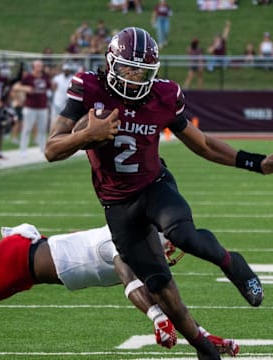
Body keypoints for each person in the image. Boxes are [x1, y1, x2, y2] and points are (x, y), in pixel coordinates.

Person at [45, 27, 273, 358]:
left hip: (155, 186)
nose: (136, 77)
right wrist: (85, 136)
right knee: (161, 287)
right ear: (111, 63)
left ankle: (231, 262)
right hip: (117, 204)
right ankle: (203, 348)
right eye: (128, 68)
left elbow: (204, 144)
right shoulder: (88, 88)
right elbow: (52, 149)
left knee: (183, 235)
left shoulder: (163, 95)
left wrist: (257, 163)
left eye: (143, 71)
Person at [0, 223, 238, 356]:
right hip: (17, 263)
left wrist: (204, 336)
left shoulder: (141, 242)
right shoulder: (127, 238)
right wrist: (155, 317)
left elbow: (170, 303)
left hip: (25, 263)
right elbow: (127, 277)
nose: (170, 253)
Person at [13, 60, 51, 155]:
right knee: (27, 128)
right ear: (33, 67)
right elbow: (16, 87)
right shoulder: (28, 77)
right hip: (30, 107)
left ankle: (43, 148)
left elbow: (49, 88)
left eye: (41, 66)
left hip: (43, 106)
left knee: (42, 129)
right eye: (38, 66)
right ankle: (23, 149)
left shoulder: (45, 77)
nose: (40, 68)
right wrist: (25, 88)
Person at [50, 63, 75, 130]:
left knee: (65, 120)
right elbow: (53, 89)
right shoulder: (57, 78)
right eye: (65, 70)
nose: (66, 71)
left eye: (67, 70)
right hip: (57, 102)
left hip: (67, 102)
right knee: (54, 119)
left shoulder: (72, 78)